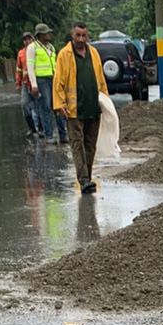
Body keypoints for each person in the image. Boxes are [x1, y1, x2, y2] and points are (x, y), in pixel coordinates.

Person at [53, 20, 109, 196]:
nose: (81, 39)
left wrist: (105, 101)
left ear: (87, 36)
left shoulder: (94, 53)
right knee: (77, 145)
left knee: (90, 146)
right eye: (78, 35)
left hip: (93, 107)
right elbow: (58, 82)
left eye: (84, 35)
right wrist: (59, 104)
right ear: (72, 35)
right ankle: (83, 180)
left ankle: (88, 177)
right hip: (73, 109)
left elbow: (101, 79)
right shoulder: (65, 55)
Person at [26, 22, 67, 144]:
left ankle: (62, 134)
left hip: (53, 79)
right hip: (41, 80)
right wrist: (34, 84)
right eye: (46, 33)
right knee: (46, 108)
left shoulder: (51, 47)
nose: (49, 35)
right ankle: (49, 135)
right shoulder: (33, 47)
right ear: (40, 35)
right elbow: (30, 66)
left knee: (58, 106)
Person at [15, 32, 39, 136]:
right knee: (24, 105)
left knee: (38, 106)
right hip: (26, 83)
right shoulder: (21, 53)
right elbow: (19, 69)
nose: (27, 41)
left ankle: (42, 129)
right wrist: (18, 83)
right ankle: (32, 128)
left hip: (37, 83)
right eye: (25, 39)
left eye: (29, 38)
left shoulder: (38, 50)